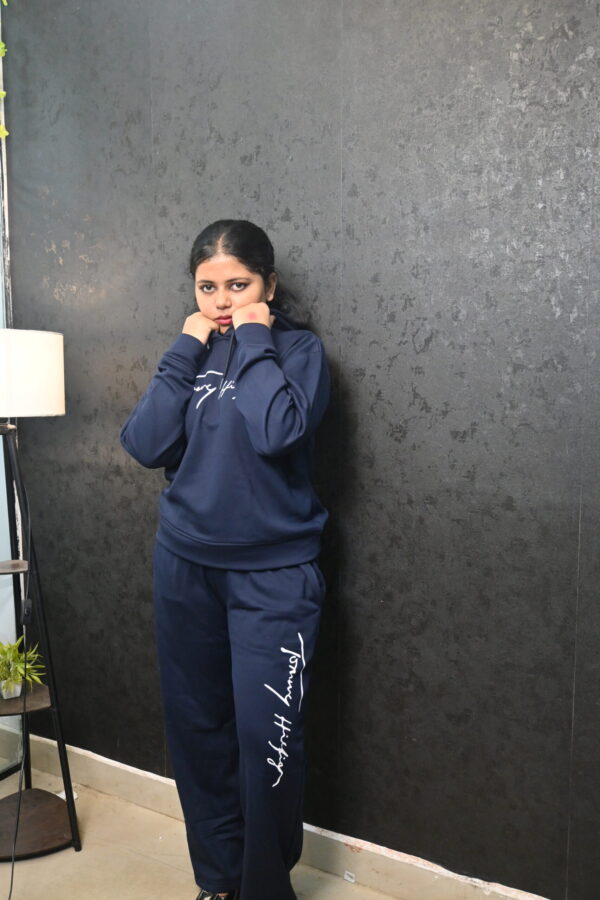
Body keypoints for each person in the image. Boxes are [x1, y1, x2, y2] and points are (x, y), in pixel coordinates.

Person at [119, 219, 330, 900]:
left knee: (267, 740)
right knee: (198, 733)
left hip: (274, 576)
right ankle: (218, 882)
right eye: (207, 287)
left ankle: (264, 888)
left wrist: (256, 338)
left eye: (237, 285)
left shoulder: (297, 352)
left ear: (268, 284)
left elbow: (277, 432)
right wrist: (186, 347)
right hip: (184, 567)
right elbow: (145, 443)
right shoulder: (192, 352)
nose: (221, 300)